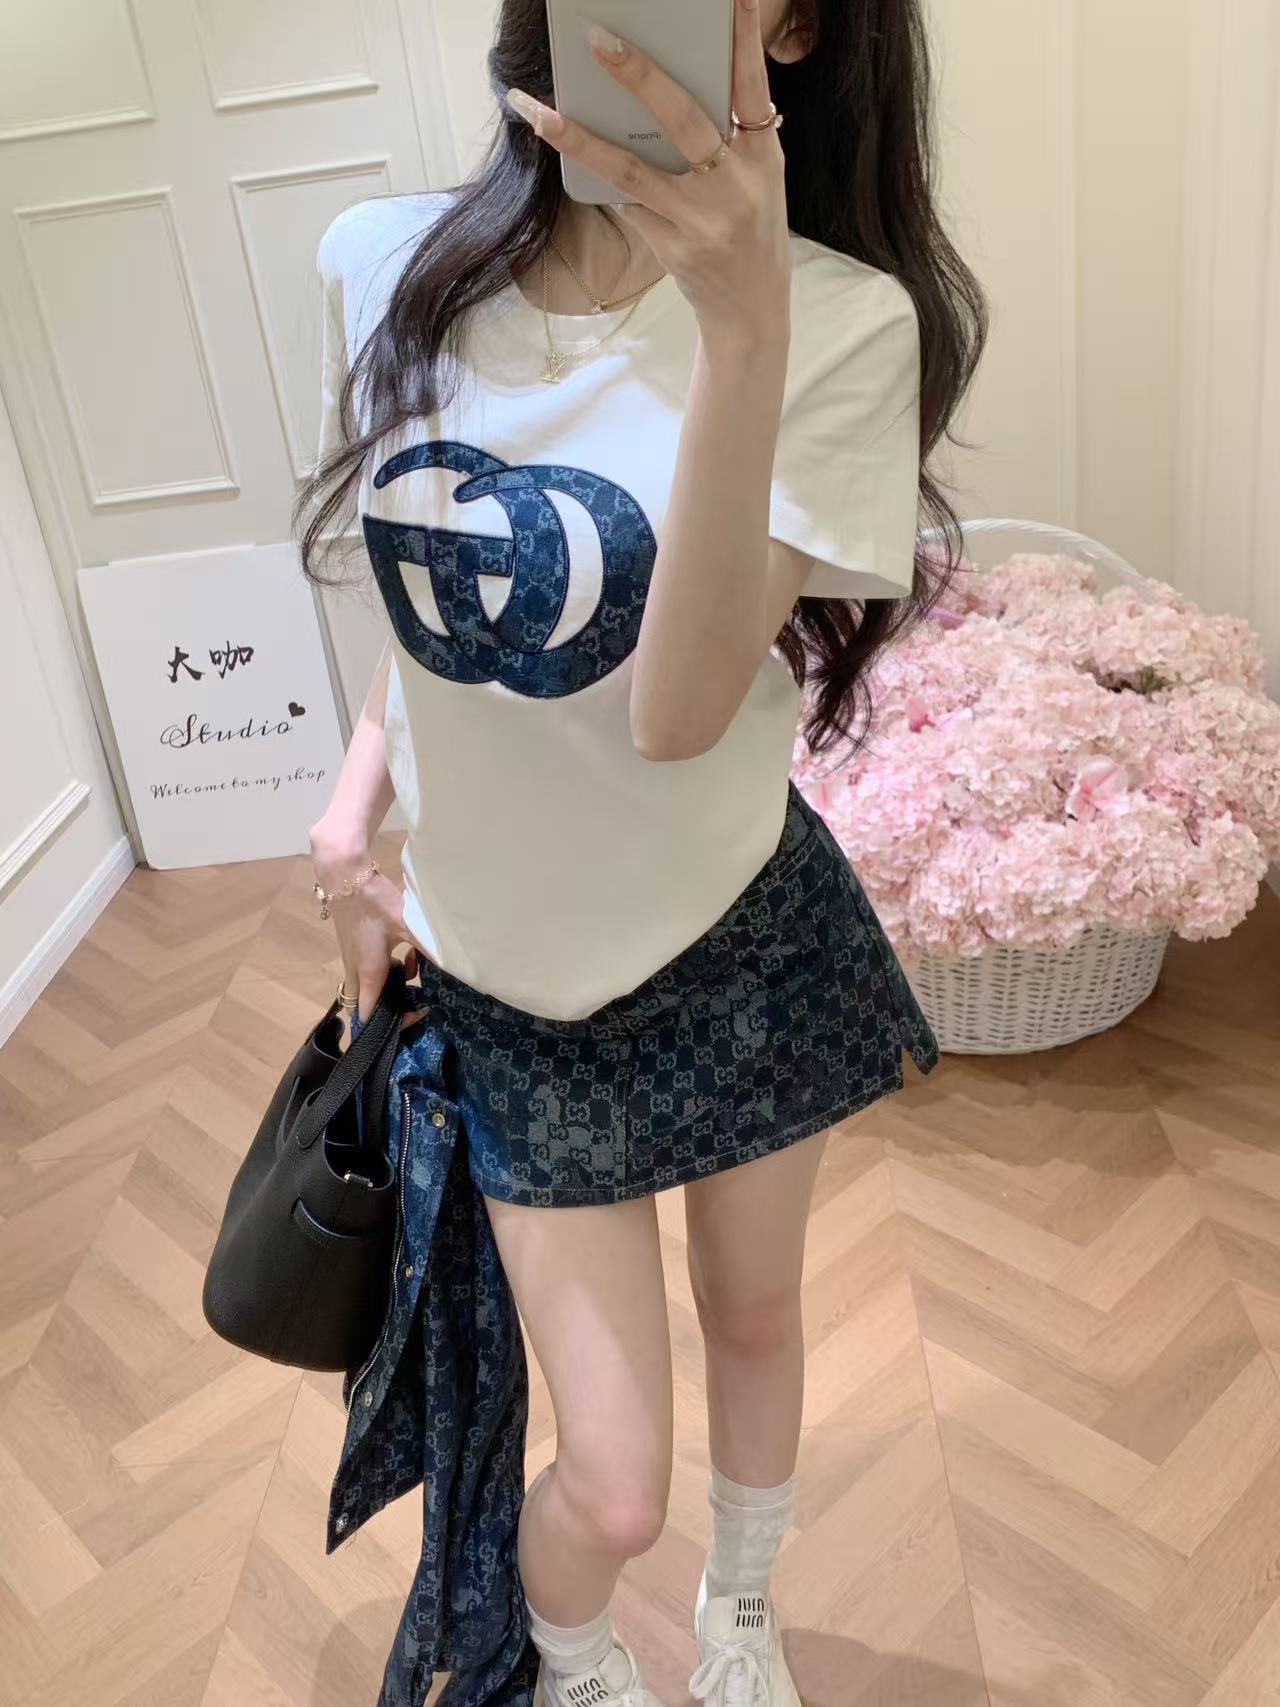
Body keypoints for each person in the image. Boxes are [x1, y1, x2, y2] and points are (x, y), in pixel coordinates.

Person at [297, 1, 985, 1703]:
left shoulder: (838, 323)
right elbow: (441, 582)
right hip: (512, 981)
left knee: (754, 1315)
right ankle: (578, 1659)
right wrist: (355, 800)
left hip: (731, 934)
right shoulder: (383, 267)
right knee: (609, 1482)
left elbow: (678, 713)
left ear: (797, 26)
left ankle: (740, 1617)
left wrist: (741, 338)